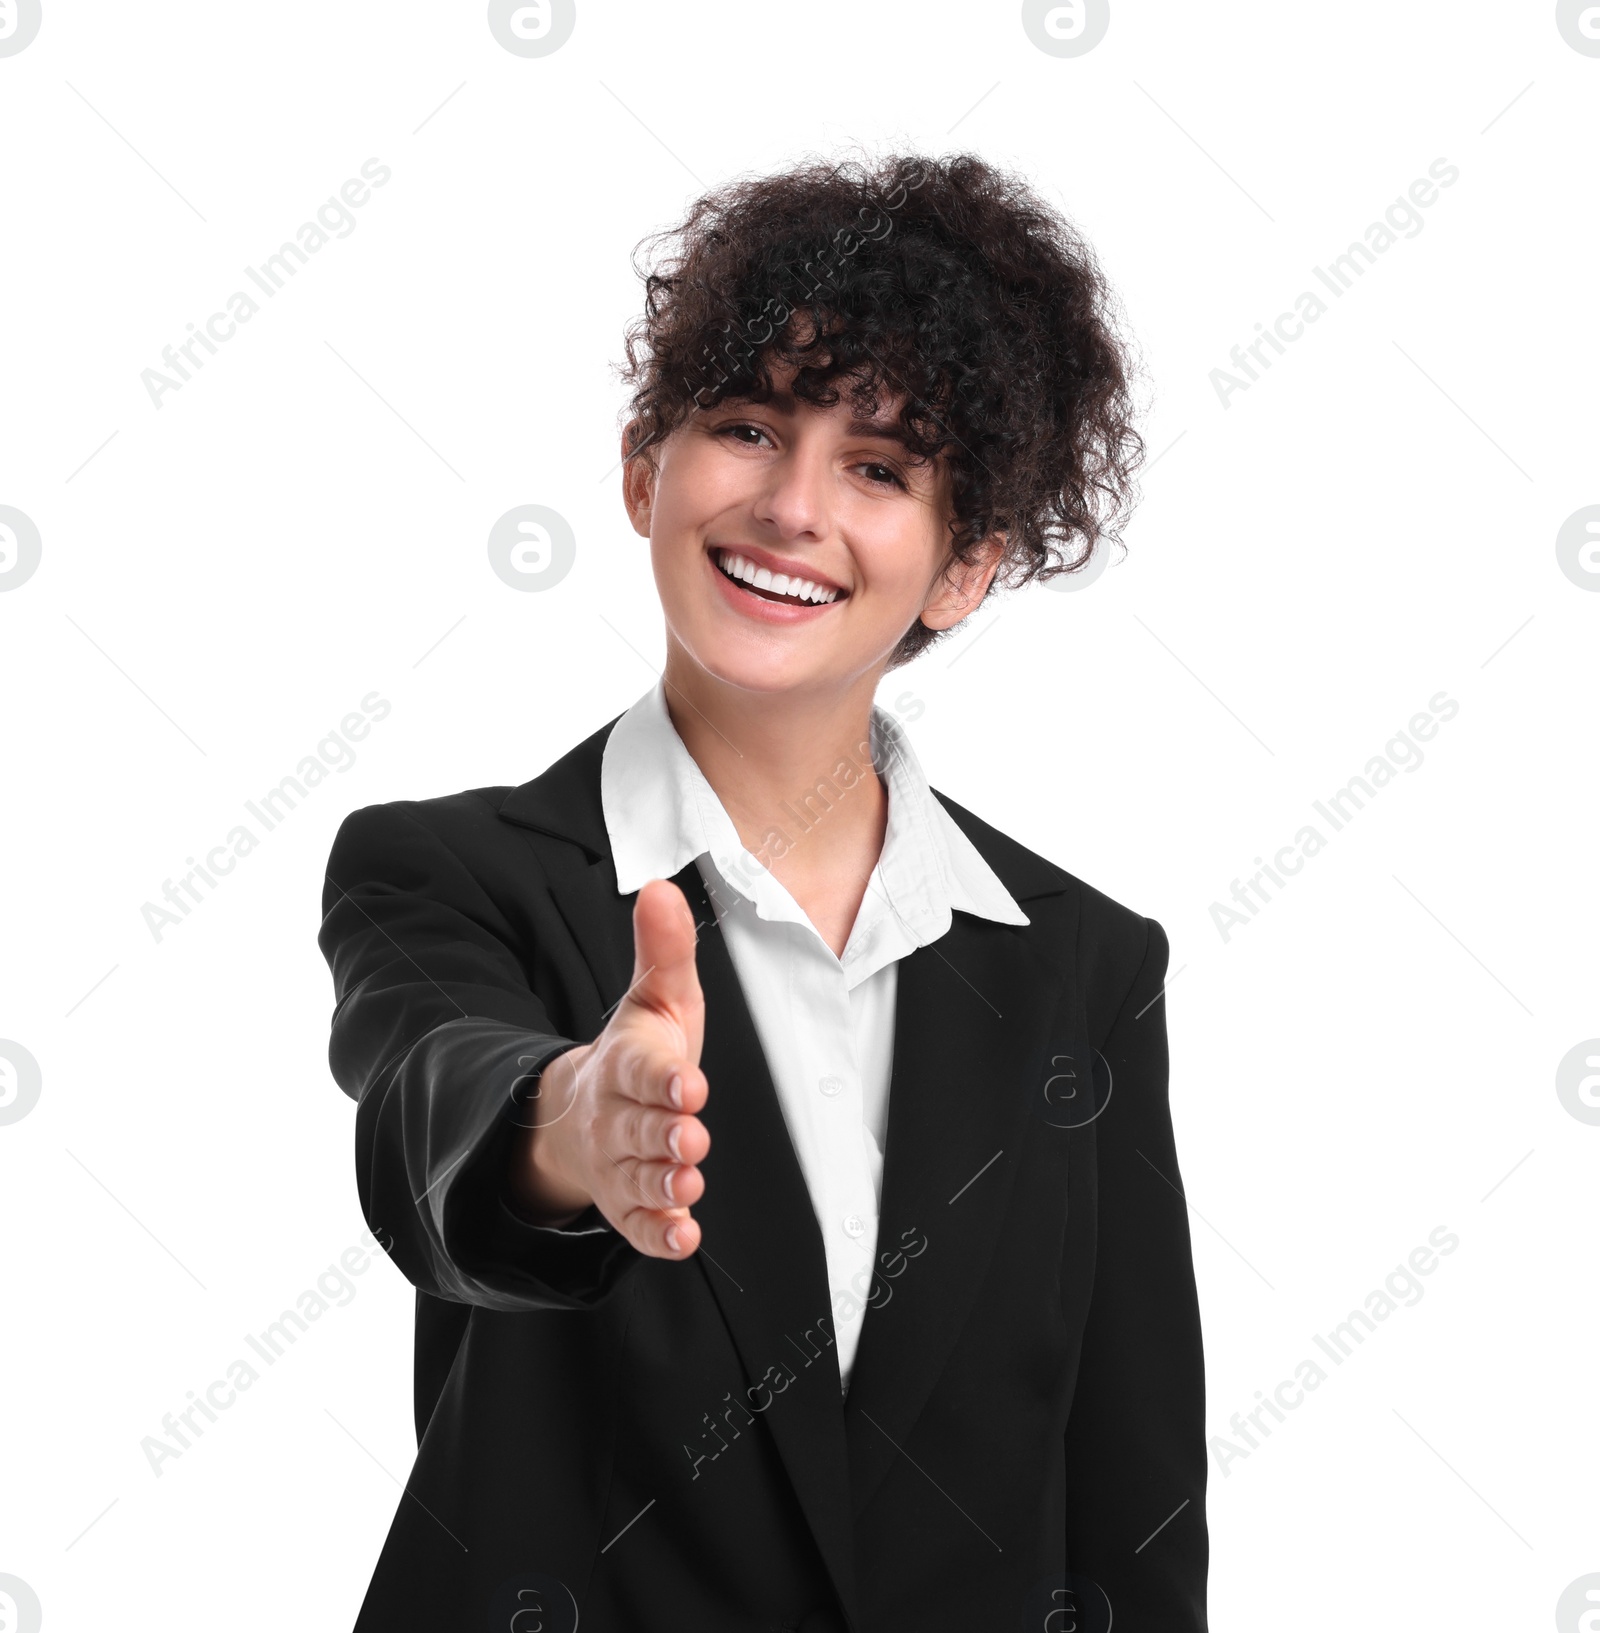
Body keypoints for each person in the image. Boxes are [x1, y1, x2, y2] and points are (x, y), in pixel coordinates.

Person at [318, 150, 1208, 1632]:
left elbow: (1131, 1499)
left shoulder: (1084, 969)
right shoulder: (450, 870)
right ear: (641, 470)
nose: (794, 507)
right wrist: (571, 1125)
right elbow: (434, 1102)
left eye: (880, 467)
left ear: (964, 565)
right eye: (747, 428)